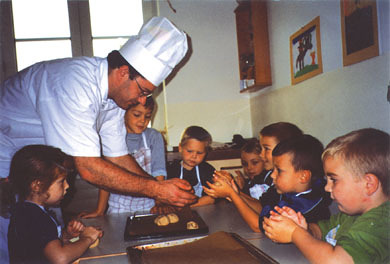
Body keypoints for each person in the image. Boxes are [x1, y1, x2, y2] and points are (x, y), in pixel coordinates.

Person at [0, 17, 196, 262]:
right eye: (144, 91)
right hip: (5, 154)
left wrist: (158, 193)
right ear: (124, 72)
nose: (144, 101)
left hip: (37, 164)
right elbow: (88, 167)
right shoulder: (74, 84)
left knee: (48, 239)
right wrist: (156, 188)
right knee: (11, 242)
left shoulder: (114, 99)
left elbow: (118, 157)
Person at [263, 128, 390, 264]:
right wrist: (302, 228)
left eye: (333, 180)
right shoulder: (349, 214)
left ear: (368, 185)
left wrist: (295, 234)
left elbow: (336, 261)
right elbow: (321, 231)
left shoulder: (380, 223)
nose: (326, 187)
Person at [205, 134, 331, 232]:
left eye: (279, 171)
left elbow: (258, 226)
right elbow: (262, 207)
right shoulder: (290, 192)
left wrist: (232, 195)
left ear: (303, 176)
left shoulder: (304, 204)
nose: (272, 175)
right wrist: (236, 192)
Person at [3, 145, 103, 264]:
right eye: (61, 182)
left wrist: (66, 235)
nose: (67, 186)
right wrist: (87, 238)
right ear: (37, 186)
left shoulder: (27, 211)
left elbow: (41, 246)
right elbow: (59, 258)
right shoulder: (35, 217)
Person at [80, 96, 167, 217]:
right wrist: (100, 210)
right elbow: (106, 178)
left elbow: (159, 173)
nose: (143, 121)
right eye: (137, 115)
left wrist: (159, 202)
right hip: (118, 207)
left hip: (149, 205)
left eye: (147, 116)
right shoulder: (112, 138)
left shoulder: (153, 137)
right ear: (123, 113)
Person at [167, 126, 216, 207]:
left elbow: (211, 198)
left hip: (203, 212)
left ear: (206, 153)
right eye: (189, 151)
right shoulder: (172, 170)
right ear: (180, 148)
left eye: (199, 153)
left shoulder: (207, 170)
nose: (194, 156)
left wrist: (187, 206)